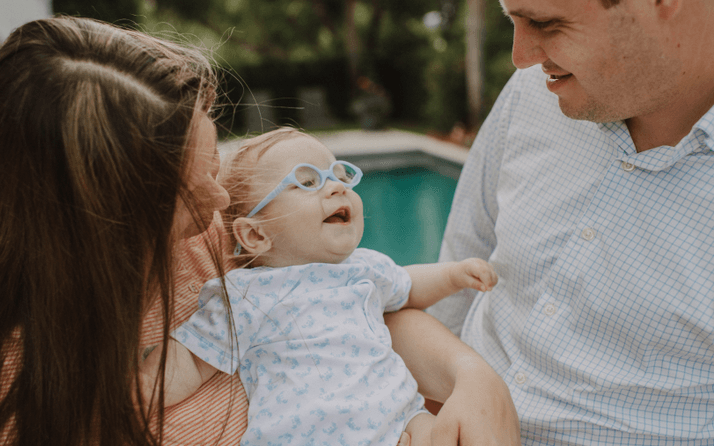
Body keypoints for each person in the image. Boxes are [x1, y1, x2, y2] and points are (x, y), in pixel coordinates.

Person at [0, 16, 241, 446]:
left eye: (213, 165)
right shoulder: (16, 409)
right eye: (185, 197)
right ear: (94, 233)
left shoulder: (214, 241)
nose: (221, 202)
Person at [422, 0, 714, 444]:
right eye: (513, 20)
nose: (521, 58)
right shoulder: (534, 89)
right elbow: (463, 255)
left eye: (545, 24)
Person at [139, 127, 500, 446]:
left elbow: (409, 286)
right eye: (308, 182)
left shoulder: (364, 268)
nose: (338, 186)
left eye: (339, 174)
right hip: (300, 436)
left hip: (399, 422)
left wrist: (453, 275)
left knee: (440, 433)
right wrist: (138, 387)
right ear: (256, 235)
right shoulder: (246, 294)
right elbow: (190, 360)